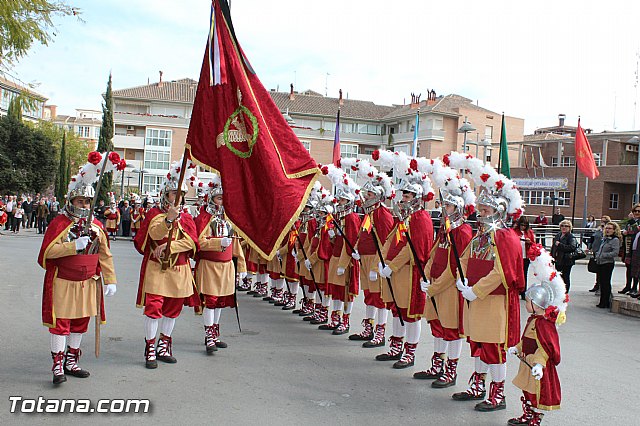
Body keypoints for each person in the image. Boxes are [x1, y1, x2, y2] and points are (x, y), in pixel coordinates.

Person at [445, 150, 525, 413]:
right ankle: (477, 385)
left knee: (493, 348)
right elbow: (465, 260)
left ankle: (497, 394)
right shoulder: (480, 236)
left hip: (494, 301)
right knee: (478, 344)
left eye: (485, 209)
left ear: (498, 211)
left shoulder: (505, 237)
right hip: (475, 298)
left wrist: (475, 290)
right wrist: (461, 281)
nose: (480, 212)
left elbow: (502, 272)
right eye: (480, 208)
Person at [37, 156, 118, 385]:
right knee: (61, 323)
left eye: (87, 202)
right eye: (80, 201)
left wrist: (110, 280)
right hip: (64, 281)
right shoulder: (60, 223)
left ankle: (72, 360)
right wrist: (74, 245)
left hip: (88, 282)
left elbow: (105, 255)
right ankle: (58, 364)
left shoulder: (97, 227)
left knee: (80, 322)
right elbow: (47, 253)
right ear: (72, 200)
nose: (83, 206)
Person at [133, 158, 200, 369]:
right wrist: (168, 220)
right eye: (174, 194)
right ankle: (150, 347)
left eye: (181, 195)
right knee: (154, 307)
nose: (178, 199)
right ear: (165, 195)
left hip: (179, 268)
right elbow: (151, 234)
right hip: (157, 267)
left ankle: (164, 344)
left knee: (173, 308)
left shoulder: (187, 216)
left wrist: (172, 247)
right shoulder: (155, 214)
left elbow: (192, 241)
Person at [416, 165, 475, 388]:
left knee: (451, 330)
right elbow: (433, 254)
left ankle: (451, 371)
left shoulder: (462, 232)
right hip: (435, 286)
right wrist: (427, 275)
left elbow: (457, 267)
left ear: (458, 208)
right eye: (444, 206)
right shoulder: (445, 229)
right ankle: (436, 365)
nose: (444, 210)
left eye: (449, 206)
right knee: (437, 326)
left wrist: (436, 286)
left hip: (448, 290)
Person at [375, 156, 434, 370]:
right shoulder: (404, 218)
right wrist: (383, 260)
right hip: (396, 273)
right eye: (403, 194)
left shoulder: (420, 218)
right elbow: (391, 239)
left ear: (417, 197)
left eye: (407, 195)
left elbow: (413, 249)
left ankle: (410, 352)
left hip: (409, 274)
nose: (403, 198)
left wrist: (392, 265)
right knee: (396, 310)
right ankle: (395, 346)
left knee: (410, 315)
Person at [338, 159, 395, 346]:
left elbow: (384, 242)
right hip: (364, 258)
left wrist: (378, 264)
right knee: (369, 296)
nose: (366, 196)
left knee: (379, 298)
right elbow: (363, 235)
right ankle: (368, 327)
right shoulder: (370, 213)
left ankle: (380, 331)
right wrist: (356, 249)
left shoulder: (382, 214)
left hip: (375, 260)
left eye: (370, 193)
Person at [194, 175, 246, 354]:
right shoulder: (204, 218)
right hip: (210, 265)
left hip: (226, 266)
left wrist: (242, 268)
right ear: (211, 198)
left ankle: (215, 333)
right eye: (219, 198)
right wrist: (218, 243)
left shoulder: (228, 219)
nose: (222, 201)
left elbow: (236, 244)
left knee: (221, 302)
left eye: (224, 198)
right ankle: (208, 335)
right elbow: (198, 242)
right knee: (210, 301)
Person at [508, 274, 565, 426]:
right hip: (527, 363)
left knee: (536, 394)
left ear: (536, 304)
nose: (525, 305)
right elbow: (526, 340)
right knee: (526, 390)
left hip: (536, 365)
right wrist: (517, 348)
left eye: (527, 302)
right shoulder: (534, 320)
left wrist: (540, 365)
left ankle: (535, 418)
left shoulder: (544, 324)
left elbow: (545, 348)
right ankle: (527, 415)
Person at [320, 164, 361, 335]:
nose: (340, 203)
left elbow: (350, 242)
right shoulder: (339, 217)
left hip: (346, 261)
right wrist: (331, 235)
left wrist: (343, 263)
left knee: (346, 293)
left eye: (343, 200)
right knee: (336, 291)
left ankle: (345, 320)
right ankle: (335, 319)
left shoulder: (351, 218)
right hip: (336, 257)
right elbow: (337, 240)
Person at [595, 222, 621, 309]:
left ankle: (605, 302)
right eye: (607, 228)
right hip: (600, 263)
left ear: (614, 230)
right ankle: (602, 301)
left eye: (610, 228)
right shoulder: (605, 239)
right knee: (602, 283)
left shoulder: (615, 240)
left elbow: (615, 253)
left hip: (608, 263)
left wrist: (603, 255)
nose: (608, 230)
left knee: (606, 283)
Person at [551, 220, 577, 293]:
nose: (564, 227)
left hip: (567, 260)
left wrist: (560, 245)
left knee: (565, 277)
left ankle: (565, 293)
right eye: (562, 226)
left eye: (566, 226)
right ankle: (559, 291)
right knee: (558, 277)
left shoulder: (571, 236)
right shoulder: (558, 235)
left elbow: (572, 247)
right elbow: (554, 247)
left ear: (570, 227)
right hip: (558, 260)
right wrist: (552, 257)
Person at [619, 204, 640, 294]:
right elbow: (627, 230)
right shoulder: (629, 222)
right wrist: (625, 233)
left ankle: (634, 287)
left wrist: (632, 221)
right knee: (628, 267)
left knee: (635, 268)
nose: (637, 213)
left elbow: (637, 230)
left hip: (637, 248)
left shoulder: (635, 222)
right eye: (635, 211)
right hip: (628, 246)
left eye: (639, 211)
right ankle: (628, 286)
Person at [514, 217, 536, 299]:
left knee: (524, 275)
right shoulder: (514, 231)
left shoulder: (529, 232)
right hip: (516, 256)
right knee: (515, 275)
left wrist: (529, 242)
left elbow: (534, 244)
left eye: (525, 225)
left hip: (525, 257)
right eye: (522, 225)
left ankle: (523, 292)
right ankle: (515, 291)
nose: (523, 227)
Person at [588, 216, 610, 293]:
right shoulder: (598, 229)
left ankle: (601, 286)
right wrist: (590, 247)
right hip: (596, 250)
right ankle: (597, 284)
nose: (603, 222)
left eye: (605, 221)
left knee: (602, 270)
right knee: (597, 269)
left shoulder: (608, 230)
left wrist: (604, 230)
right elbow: (593, 238)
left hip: (603, 252)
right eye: (602, 221)